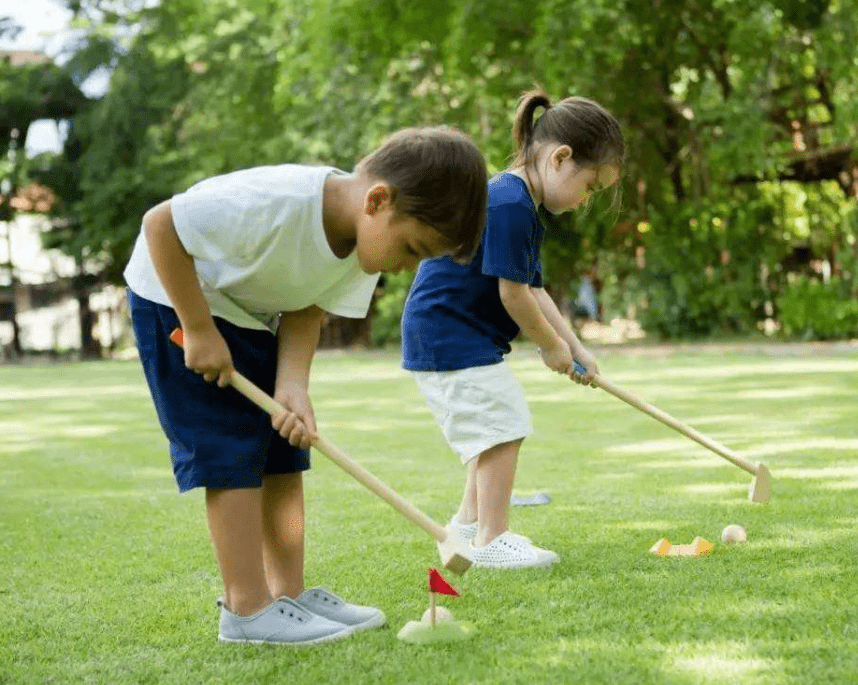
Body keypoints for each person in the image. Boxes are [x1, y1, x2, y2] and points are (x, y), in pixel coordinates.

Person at [123, 127, 487, 644]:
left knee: (283, 449)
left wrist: (293, 384)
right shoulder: (275, 202)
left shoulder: (362, 242)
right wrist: (200, 330)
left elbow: (307, 305)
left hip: (250, 314)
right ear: (378, 200)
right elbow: (161, 225)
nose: (408, 267)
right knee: (230, 447)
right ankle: (247, 610)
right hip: (176, 300)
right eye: (412, 249)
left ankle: (285, 596)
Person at [401, 90, 624, 569]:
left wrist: (576, 347)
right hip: (447, 333)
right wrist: (549, 349)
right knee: (504, 424)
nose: (587, 201)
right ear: (561, 158)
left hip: (457, 334)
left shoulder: (520, 203)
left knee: (493, 427)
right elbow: (513, 295)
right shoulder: (509, 202)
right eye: (591, 186)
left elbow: (535, 289)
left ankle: (467, 525)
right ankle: (493, 538)